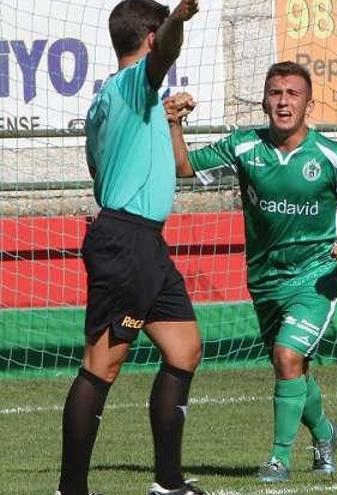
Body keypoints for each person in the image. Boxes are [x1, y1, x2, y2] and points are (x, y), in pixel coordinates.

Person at [165, 61, 337, 483]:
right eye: (276, 93)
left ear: (308, 104)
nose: (283, 101)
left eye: (292, 94)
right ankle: (325, 432)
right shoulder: (245, 147)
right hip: (265, 279)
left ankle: (279, 459)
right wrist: (174, 123)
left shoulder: (335, 156)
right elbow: (185, 167)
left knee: (287, 356)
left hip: (318, 276)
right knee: (292, 367)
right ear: (265, 100)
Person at [58, 2, 203, 495]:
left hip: (144, 243)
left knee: (184, 349)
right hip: (126, 241)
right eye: (159, 33)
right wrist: (179, 18)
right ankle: (71, 489)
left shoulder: (109, 104)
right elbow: (164, 52)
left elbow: (103, 170)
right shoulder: (132, 82)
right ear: (148, 37)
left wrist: (160, 119)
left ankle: (167, 482)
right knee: (103, 364)